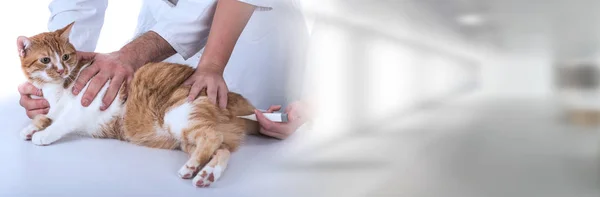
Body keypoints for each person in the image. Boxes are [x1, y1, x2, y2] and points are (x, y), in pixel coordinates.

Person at [17, 0, 310, 139]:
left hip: (244, 42)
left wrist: (212, 63)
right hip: (155, 44)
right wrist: (65, 80)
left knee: (244, 128)